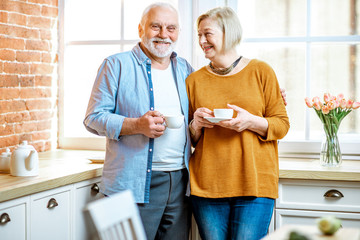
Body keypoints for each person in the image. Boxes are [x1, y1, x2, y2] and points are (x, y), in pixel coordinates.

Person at [83, 3, 193, 240]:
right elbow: (93, 118)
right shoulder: (115, 64)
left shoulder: (185, 69)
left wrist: (267, 93)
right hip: (134, 182)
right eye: (156, 26)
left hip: (181, 181)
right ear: (141, 28)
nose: (164, 34)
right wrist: (137, 125)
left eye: (171, 28)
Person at [186, 7, 290, 240]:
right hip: (206, 186)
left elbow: (281, 125)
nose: (202, 40)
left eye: (208, 34)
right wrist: (197, 125)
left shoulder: (261, 71)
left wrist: (251, 122)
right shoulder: (193, 81)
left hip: (254, 184)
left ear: (229, 32)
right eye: (199, 35)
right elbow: (190, 140)